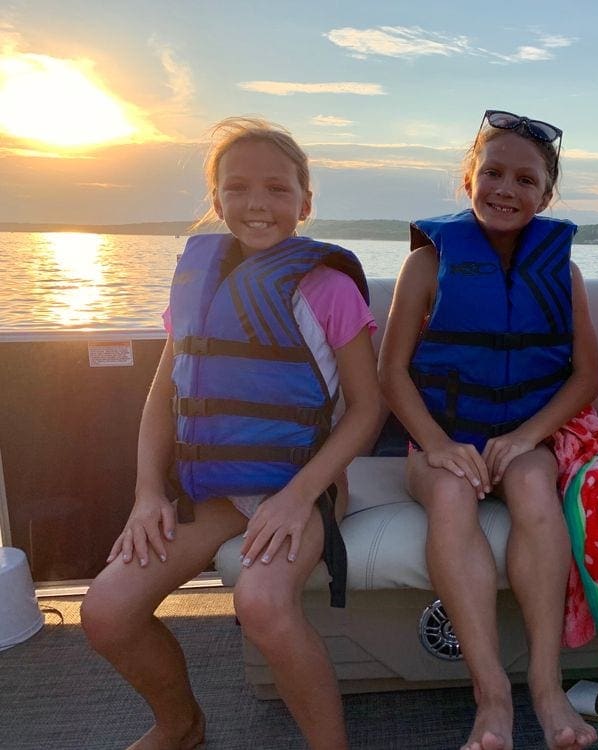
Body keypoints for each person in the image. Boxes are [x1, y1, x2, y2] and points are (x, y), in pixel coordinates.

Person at [81, 117, 381, 750]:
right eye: (238, 187)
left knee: (263, 603)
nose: (257, 204)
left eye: (277, 189)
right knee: (105, 612)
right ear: (217, 200)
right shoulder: (195, 286)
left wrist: (300, 496)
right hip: (215, 492)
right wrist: (146, 493)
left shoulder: (327, 289)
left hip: (305, 488)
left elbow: (366, 409)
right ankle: (180, 725)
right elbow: (163, 393)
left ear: (305, 200)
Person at [378, 110, 598, 750]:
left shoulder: (564, 273)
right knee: (450, 493)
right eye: (493, 173)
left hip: (522, 437)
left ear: (547, 195)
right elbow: (393, 374)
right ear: (468, 178)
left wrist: (529, 435)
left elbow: (585, 378)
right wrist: (443, 445)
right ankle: (491, 695)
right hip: (441, 436)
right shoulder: (426, 265)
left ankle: (545, 682)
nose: (507, 189)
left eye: (526, 180)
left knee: (534, 487)